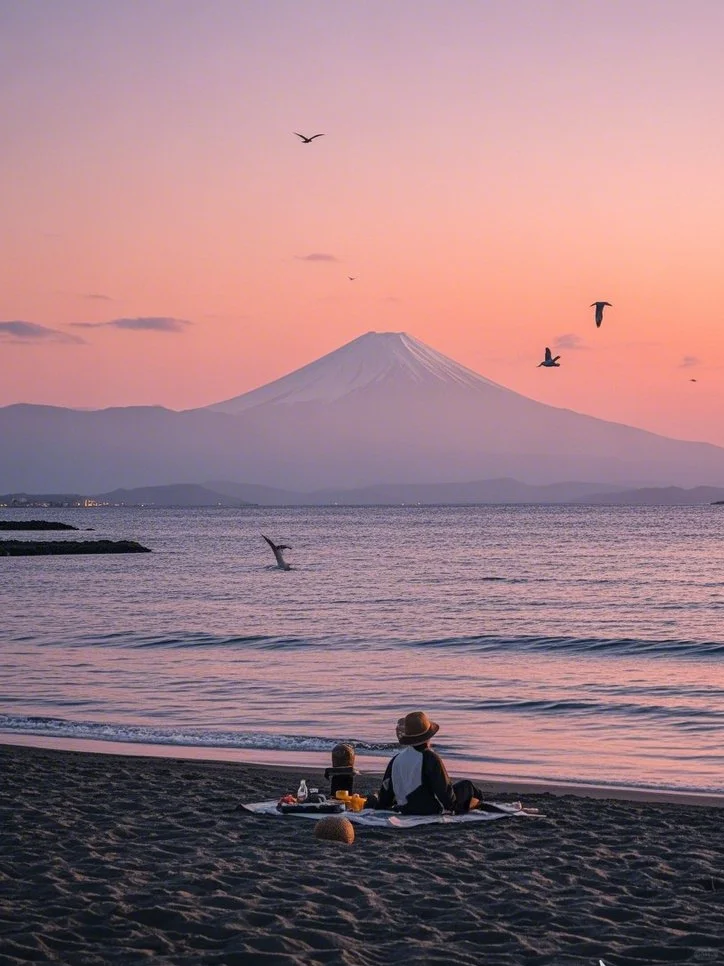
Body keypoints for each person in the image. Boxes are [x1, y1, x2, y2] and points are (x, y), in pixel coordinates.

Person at [367, 711, 486, 815]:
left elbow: (385, 798)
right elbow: (445, 796)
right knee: (468, 786)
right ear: (428, 737)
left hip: (404, 808)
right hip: (430, 809)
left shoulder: (395, 760)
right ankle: (479, 803)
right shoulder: (431, 758)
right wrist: (454, 805)